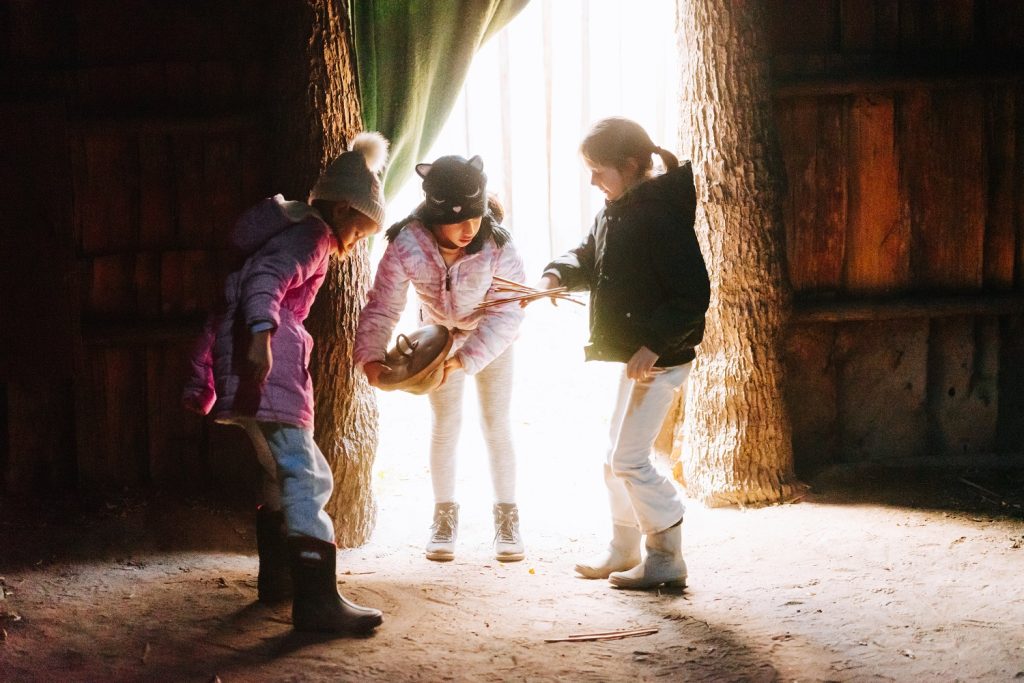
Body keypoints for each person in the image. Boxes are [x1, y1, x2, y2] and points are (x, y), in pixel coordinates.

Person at [182, 131, 389, 633]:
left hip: (247, 370)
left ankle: (279, 581)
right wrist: (262, 336)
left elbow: (245, 285)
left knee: (276, 473)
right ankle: (317, 603)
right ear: (343, 211)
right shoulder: (312, 235)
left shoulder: (288, 230)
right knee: (307, 474)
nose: (356, 240)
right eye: (361, 230)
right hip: (267, 370)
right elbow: (265, 281)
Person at [527, 117, 710, 590]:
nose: (592, 181)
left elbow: (692, 295)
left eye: (598, 170)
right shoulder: (617, 207)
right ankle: (623, 548)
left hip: (661, 359)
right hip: (640, 356)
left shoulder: (660, 217)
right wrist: (556, 275)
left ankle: (667, 555)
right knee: (613, 459)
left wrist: (654, 344)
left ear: (629, 166)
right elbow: (589, 255)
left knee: (629, 460)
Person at [354, 154, 527, 563]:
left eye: (477, 216)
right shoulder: (407, 244)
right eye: (457, 219)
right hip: (436, 342)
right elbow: (382, 305)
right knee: (445, 425)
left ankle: (507, 518)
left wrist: (468, 359)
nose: (469, 229)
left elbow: (509, 311)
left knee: (496, 424)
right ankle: (444, 517)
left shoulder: (498, 246)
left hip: (491, 340)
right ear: (433, 213)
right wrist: (371, 356)